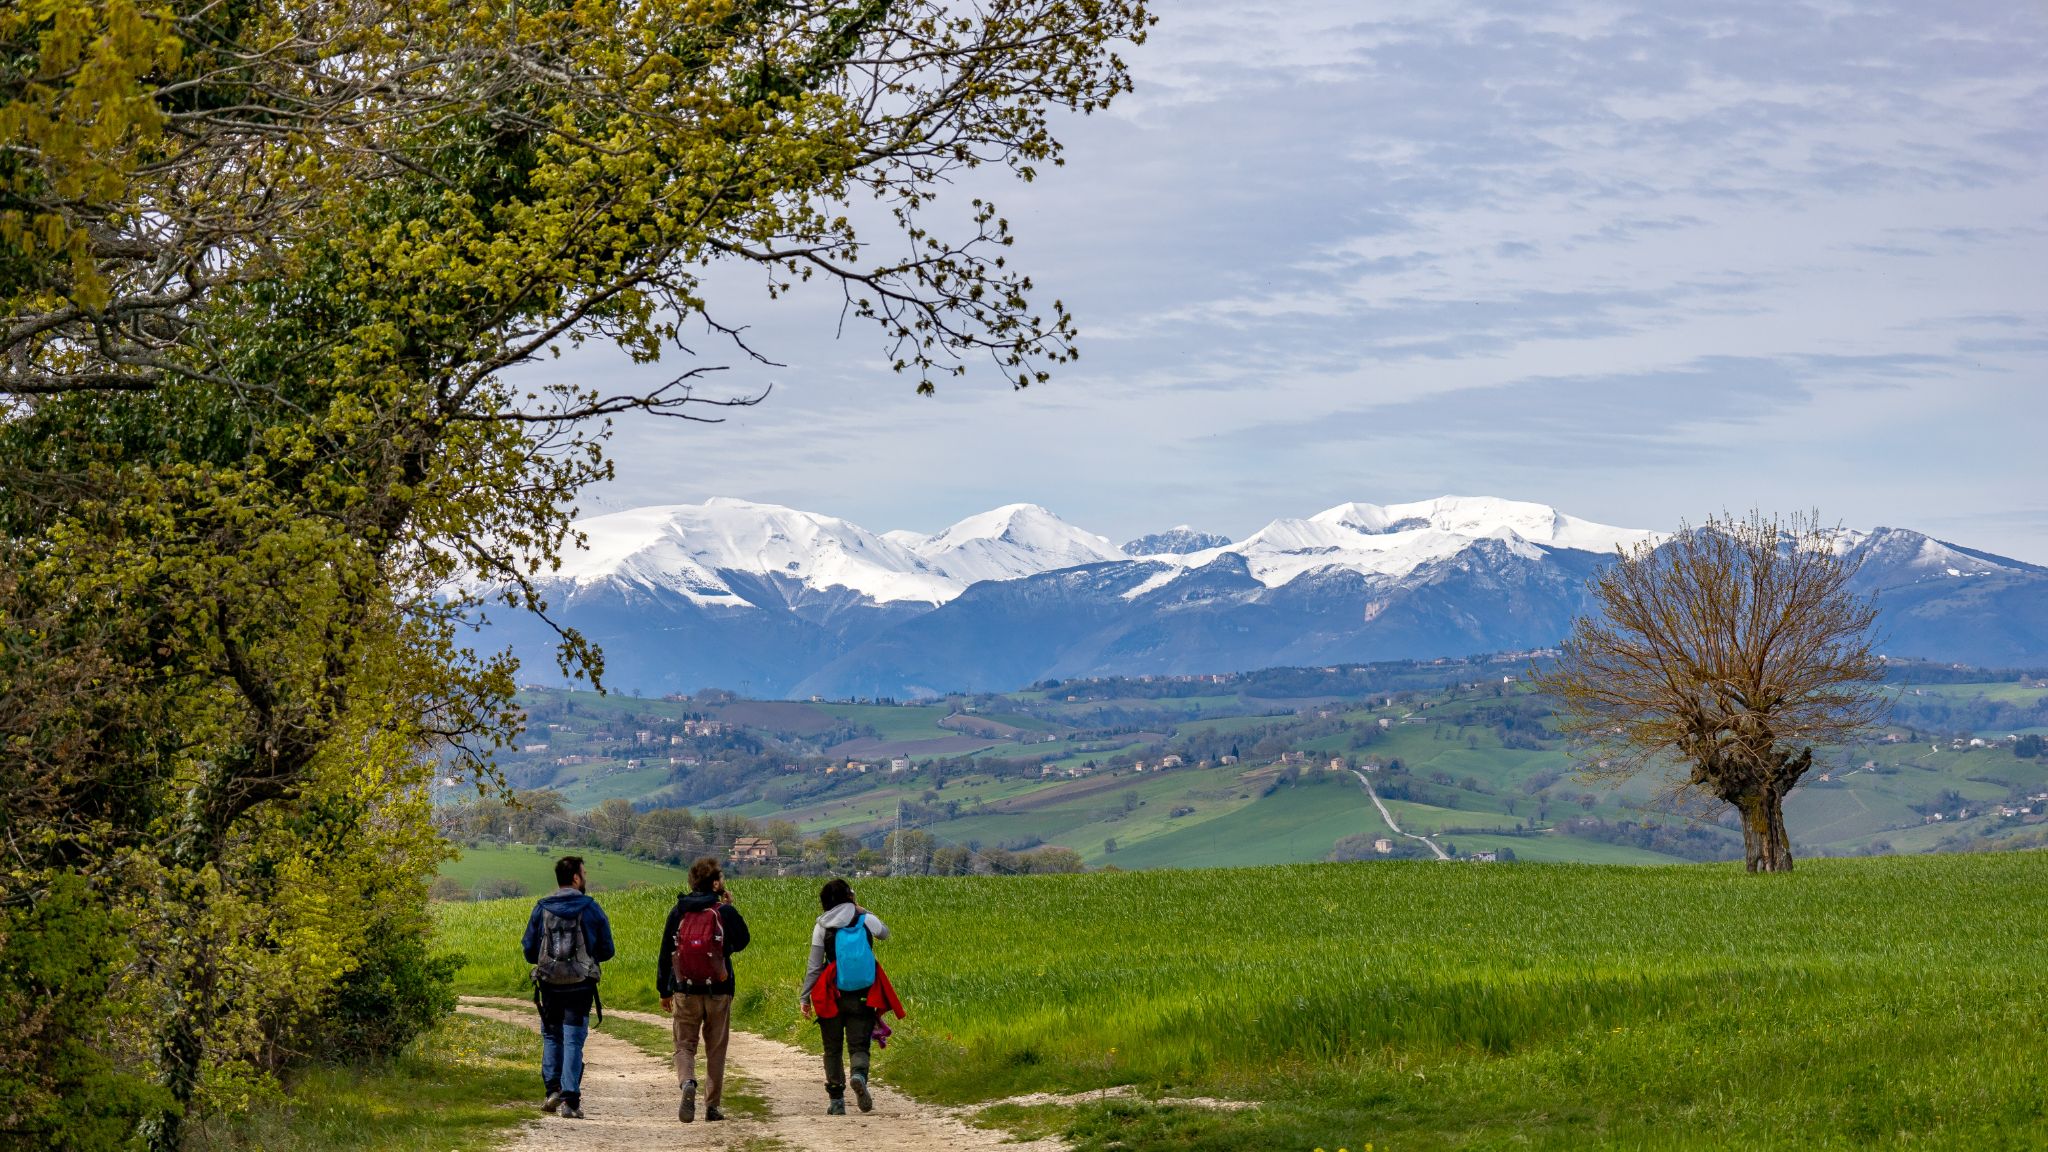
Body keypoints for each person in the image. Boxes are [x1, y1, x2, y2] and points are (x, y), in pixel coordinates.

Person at [657, 856, 751, 1124]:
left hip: (685, 989)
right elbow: (743, 940)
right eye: (721, 877)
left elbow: (666, 951)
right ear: (715, 884)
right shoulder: (723, 911)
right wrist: (729, 910)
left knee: (684, 1045)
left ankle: (688, 1082)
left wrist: (664, 990)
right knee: (716, 1048)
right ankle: (712, 1106)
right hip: (719, 988)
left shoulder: (679, 910)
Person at [521, 855, 615, 1120]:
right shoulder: (591, 908)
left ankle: (552, 1090)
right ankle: (570, 1101)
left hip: (549, 984)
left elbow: (529, 950)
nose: (585, 877)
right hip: (580, 986)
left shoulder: (542, 908)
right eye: (584, 873)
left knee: (552, 1036)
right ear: (575, 878)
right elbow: (608, 949)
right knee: (573, 1038)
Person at [801, 878, 904, 1115]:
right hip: (862, 994)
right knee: (859, 1044)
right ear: (850, 896)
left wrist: (805, 998)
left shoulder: (822, 926)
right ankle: (858, 1075)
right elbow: (885, 933)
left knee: (832, 1048)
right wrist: (862, 910)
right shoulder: (864, 919)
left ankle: (837, 1101)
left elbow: (814, 967)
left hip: (831, 994)